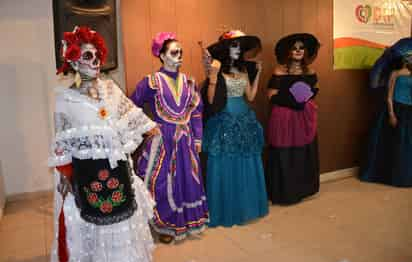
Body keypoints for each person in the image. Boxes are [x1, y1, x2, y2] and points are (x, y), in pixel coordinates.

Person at [48, 26, 157, 262]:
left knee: (122, 229)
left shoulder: (111, 89)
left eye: (97, 53)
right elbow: (62, 144)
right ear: (73, 60)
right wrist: (65, 176)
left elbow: (131, 115)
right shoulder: (64, 99)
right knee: (94, 233)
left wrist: (149, 127)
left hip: (118, 175)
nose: (95, 59)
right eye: (87, 55)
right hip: (88, 179)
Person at [131, 32, 208, 243]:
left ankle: (184, 220)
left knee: (186, 179)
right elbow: (131, 106)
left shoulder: (189, 82)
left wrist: (198, 138)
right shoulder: (151, 82)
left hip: (186, 139)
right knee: (162, 182)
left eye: (181, 52)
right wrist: (147, 126)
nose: (179, 56)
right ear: (162, 56)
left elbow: (197, 112)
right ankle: (164, 225)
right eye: (174, 52)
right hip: (162, 140)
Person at [201, 30, 268, 227]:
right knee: (226, 162)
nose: (238, 50)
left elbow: (251, 96)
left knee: (245, 160)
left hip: (245, 117)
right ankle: (226, 209)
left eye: (239, 47)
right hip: (225, 119)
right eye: (234, 46)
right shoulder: (217, 70)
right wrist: (213, 76)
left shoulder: (244, 71)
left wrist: (258, 75)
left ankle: (246, 206)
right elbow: (211, 101)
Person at [266, 33, 321, 204]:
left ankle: (303, 189)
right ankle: (284, 192)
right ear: (288, 52)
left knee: (302, 151)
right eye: (294, 48)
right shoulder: (279, 69)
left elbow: (315, 90)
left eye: (301, 48)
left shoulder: (311, 71)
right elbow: (271, 95)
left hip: (304, 116)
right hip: (284, 115)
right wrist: (292, 101)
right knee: (285, 151)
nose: (298, 51)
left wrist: (305, 98)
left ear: (306, 51)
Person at [360, 38, 412, 187]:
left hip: (409, 110)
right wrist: (391, 113)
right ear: (403, 58)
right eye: (408, 56)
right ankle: (394, 175)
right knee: (395, 143)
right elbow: (389, 96)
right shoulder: (395, 73)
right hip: (397, 108)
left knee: (407, 144)